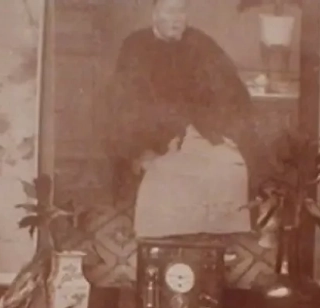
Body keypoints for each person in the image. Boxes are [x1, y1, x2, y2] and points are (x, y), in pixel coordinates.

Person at [102, 0, 258, 237]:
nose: (177, 19)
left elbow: (229, 88)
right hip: (155, 138)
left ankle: (213, 240)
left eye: (182, 11)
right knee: (169, 175)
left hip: (201, 131)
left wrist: (223, 129)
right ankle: (166, 243)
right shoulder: (135, 46)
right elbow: (127, 103)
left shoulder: (200, 43)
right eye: (170, 11)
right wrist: (142, 148)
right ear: (154, 14)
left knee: (229, 168)